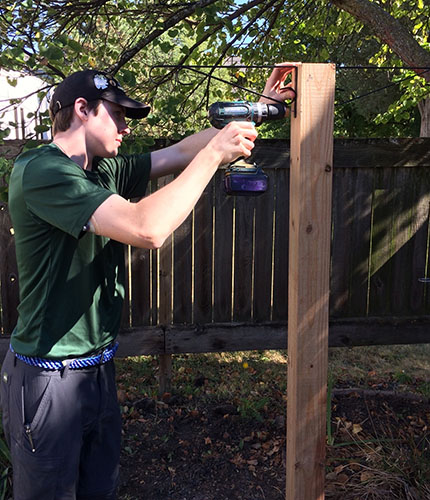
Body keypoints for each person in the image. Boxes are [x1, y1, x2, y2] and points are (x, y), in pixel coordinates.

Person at [0, 63, 295, 499]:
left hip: (96, 371)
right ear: (82, 109)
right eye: (116, 114)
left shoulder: (101, 169)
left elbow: (179, 153)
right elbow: (147, 228)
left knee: (101, 490)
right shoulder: (42, 171)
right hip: (48, 378)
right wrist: (215, 156)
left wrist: (261, 110)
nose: (124, 127)